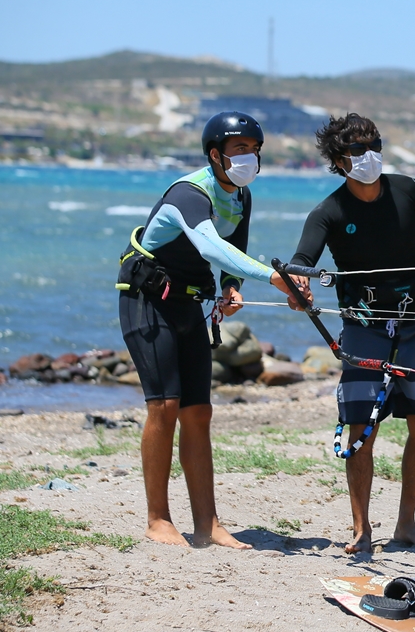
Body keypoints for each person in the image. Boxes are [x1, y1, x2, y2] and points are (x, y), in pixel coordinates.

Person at [117, 112, 302, 548]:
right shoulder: (189, 193)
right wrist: (274, 278)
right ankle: (157, 519)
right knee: (165, 405)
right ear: (215, 155)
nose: (249, 157)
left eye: (254, 149)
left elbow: (234, 247)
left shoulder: (241, 195)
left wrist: (232, 286)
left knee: (199, 411)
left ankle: (208, 524)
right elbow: (209, 244)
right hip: (146, 301)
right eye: (240, 149)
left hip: (188, 304)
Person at [290, 113, 415, 553]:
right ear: (338, 160)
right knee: (360, 427)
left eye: (375, 145)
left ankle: (406, 524)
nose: (370, 157)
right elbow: (301, 260)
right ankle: (362, 529)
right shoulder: (328, 211)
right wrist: (299, 284)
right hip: (363, 329)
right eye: (358, 151)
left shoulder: (409, 190)